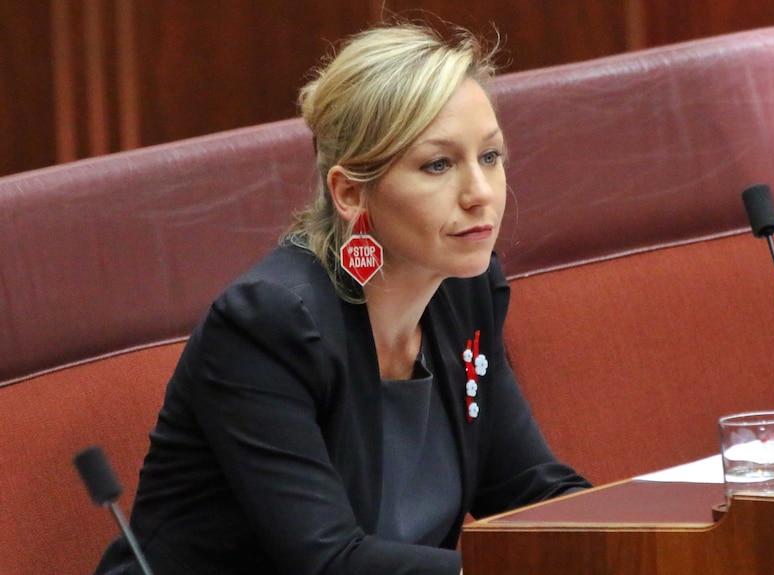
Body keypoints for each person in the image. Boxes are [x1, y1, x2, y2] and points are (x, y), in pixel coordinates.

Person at [95, 19, 590, 575]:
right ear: (351, 192)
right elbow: (327, 562)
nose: (480, 193)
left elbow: (526, 490)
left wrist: (650, 542)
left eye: (491, 157)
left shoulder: (465, 292)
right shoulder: (271, 324)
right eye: (438, 164)